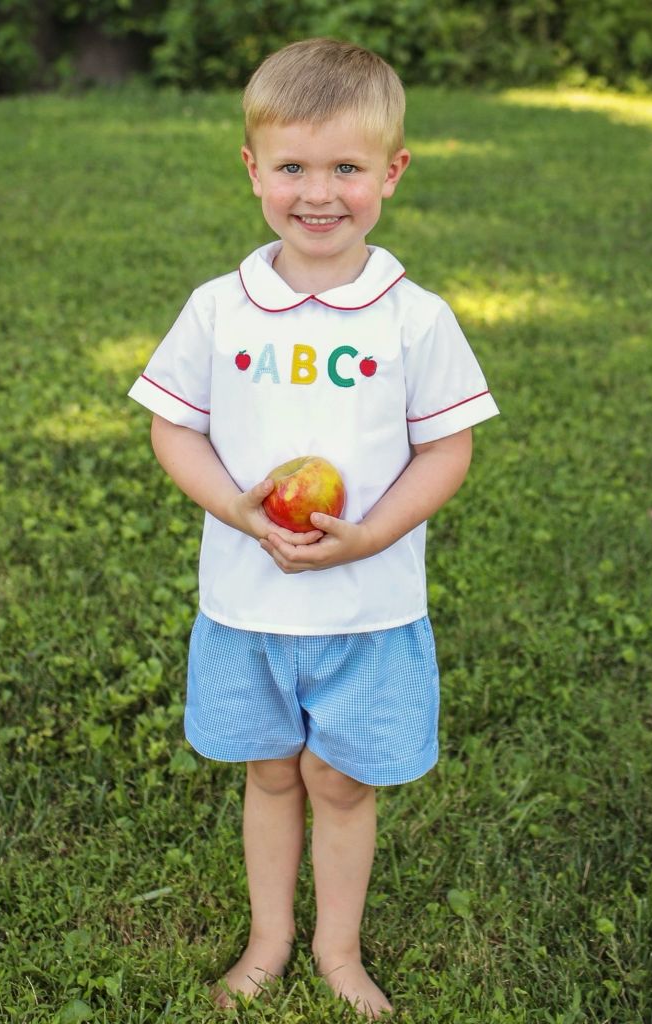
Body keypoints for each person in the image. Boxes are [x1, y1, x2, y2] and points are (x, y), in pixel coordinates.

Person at [128, 37, 499, 1019]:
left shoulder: (415, 320)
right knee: (268, 769)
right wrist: (238, 509)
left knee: (336, 777)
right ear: (253, 169)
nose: (318, 193)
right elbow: (175, 429)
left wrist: (373, 534)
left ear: (392, 172)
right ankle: (269, 937)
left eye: (346, 167)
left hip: (366, 608)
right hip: (248, 605)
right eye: (292, 166)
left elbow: (446, 452)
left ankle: (337, 949)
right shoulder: (219, 311)